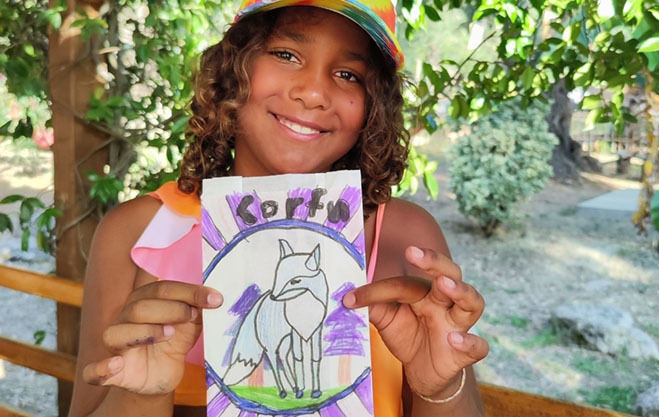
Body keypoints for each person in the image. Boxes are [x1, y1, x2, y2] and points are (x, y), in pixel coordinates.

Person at [69, 1, 489, 416]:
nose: (313, 93)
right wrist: (140, 398)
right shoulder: (138, 232)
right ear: (234, 68)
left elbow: (446, 390)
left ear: (372, 105)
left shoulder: (406, 237)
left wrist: (441, 388)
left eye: (348, 75)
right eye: (286, 55)